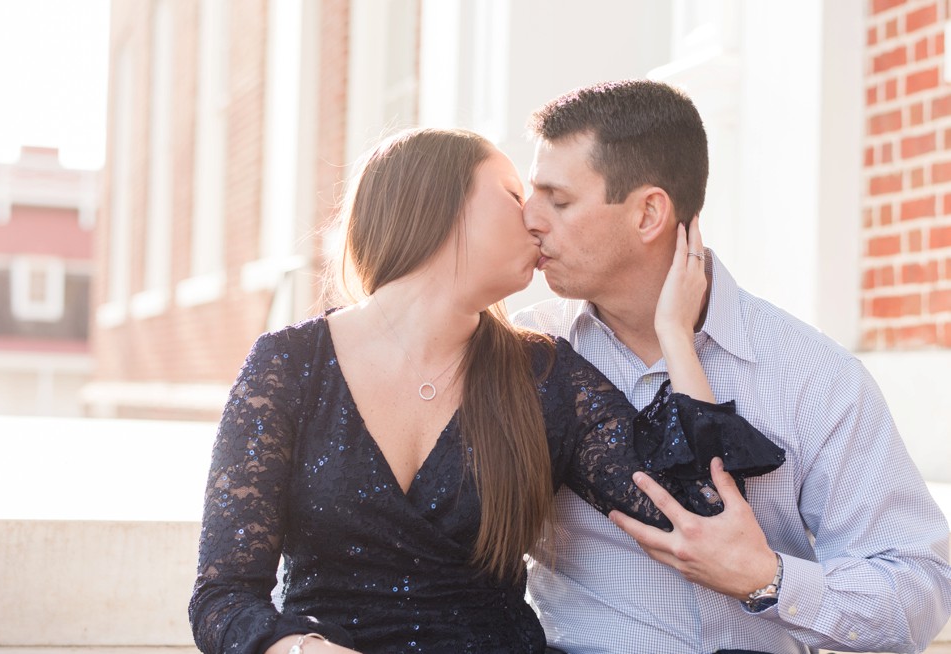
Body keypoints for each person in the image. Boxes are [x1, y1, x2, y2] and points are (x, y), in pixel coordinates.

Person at [187, 127, 785, 654]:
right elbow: (223, 597)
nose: (533, 216)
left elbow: (697, 512)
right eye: (512, 194)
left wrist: (675, 335)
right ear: (439, 207)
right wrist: (297, 649)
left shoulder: (545, 374)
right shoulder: (289, 366)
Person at [515, 79, 951, 653]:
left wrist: (769, 578)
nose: (529, 218)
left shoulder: (813, 376)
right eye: (532, 194)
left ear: (649, 213)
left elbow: (917, 587)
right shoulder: (523, 350)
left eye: (559, 200)